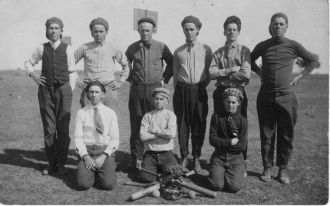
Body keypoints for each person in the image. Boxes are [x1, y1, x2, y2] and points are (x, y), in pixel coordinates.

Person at [251, 12, 320, 184]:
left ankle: (283, 169)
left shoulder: (293, 45)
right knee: (267, 134)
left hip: (286, 97)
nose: (278, 27)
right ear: (270, 27)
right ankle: (267, 168)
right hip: (265, 96)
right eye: (275, 24)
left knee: (286, 134)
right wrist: (260, 73)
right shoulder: (263, 46)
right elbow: (249, 60)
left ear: (287, 26)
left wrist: (299, 76)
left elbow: (313, 60)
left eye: (281, 24)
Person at [24, 17, 77, 176]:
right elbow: (28, 62)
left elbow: (72, 72)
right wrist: (33, 75)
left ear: (61, 31)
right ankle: (51, 162)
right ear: (47, 31)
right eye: (50, 28)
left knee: (63, 128)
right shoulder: (41, 48)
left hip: (63, 90)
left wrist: (68, 90)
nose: (53, 31)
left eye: (56, 28)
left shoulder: (68, 48)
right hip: (45, 91)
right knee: (49, 128)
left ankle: (61, 163)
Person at [125, 17, 173, 169]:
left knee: (156, 121)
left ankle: (154, 156)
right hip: (138, 89)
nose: (145, 33)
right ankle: (136, 158)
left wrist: (164, 78)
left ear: (153, 30)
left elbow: (171, 62)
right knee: (137, 123)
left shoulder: (161, 47)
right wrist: (132, 78)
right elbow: (125, 65)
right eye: (142, 30)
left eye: (148, 30)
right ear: (138, 30)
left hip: (155, 89)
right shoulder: (132, 48)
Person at [209, 16, 251, 176]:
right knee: (220, 125)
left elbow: (245, 74)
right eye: (229, 29)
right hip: (220, 93)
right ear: (224, 31)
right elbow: (211, 73)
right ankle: (219, 160)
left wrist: (223, 76)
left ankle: (241, 162)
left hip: (238, 93)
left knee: (239, 125)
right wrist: (229, 70)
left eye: (234, 29)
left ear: (238, 31)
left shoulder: (244, 50)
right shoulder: (218, 52)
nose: (231, 32)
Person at [172, 15, 212, 173]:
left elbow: (209, 73)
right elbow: (175, 76)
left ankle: (196, 157)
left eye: (192, 29)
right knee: (182, 124)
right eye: (186, 29)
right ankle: (184, 156)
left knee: (198, 124)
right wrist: (181, 89)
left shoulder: (206, 49)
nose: (189, 32)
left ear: (198, 30)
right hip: (181, 90)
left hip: (199, 90)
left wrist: (199, 86)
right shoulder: (178, 51)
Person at [75, 17, 130, 109]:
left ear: (106, 32)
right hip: (89, 89)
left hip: (108, 90)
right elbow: (69, 64)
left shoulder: (113, 48)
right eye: (95, 32)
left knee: (109, 120)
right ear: (91, 32)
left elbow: (126, 66)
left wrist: (120, 82)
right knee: (87, 120)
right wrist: (77, 80)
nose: (98, 34)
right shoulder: (84, 47)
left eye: (101, 31)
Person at [74, 81, 119, 190]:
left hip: (103, 150)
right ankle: (90, 171)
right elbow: (78, 138)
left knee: (108, 185)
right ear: (88, 94)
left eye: (97, 92)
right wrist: (85, 157)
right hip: (88, 150)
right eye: (91, 92)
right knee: (83, 184)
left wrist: (104, 156)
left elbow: (115, 139)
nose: (94, 94)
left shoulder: (110, 113)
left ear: (103, 94)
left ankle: (106, 168)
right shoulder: (81, 113)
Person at [208, 88, 247, 192]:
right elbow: (212, 139)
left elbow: (242, 145)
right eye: (228, 102)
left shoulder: (242, 120)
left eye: (233, 102)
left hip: (236, 157)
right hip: (219, 156)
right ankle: (218, 171)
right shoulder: (216, 117)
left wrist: (220, 142)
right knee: (216, 186)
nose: (230, 105)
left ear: (238, 103)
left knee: (234, 187)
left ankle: (234, 171)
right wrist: (229, 142)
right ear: (224, 101)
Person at [139, 87, 180, 182]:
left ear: (166, 101)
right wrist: (159, 135)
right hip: (151, 153)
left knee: (175, 176)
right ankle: (158, 169)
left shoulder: (170, 115)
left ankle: (164, 168)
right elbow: (143, 136)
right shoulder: (147, 116)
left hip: (166, 153)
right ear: (153, 100)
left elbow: (171, 133)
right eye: (156, 99)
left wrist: (155, 130)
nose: (158, 102)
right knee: (146, 178)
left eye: (161, 99)